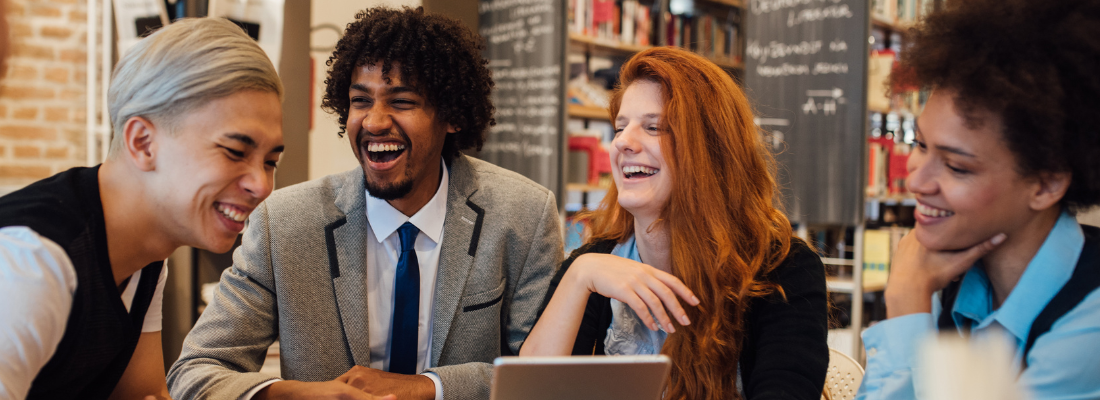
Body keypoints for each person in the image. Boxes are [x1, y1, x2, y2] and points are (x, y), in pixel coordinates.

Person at [166, 7, 563, 400]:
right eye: (360, 101)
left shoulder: (524, 216)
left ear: (452, 115)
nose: (373, 122)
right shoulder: (283, 224)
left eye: (402, 101)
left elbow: (546, 378)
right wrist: (298, 395)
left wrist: (429, 388)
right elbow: (196, 372)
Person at [521, 47, 829, 400]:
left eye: (653, 127)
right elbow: (527, 393)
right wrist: (578, 278)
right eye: (620, 127)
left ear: (711, 149)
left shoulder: (784, 268)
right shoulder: (596, 264)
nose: (623, 142)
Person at [0, 17, 285, 400]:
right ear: (143, 142)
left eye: (270, 161)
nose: (261, 185)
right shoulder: (32, 264)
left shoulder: (145, 255)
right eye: (235, 152)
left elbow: (143, 394)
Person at [855, 0, 1100, 398]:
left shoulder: (1090, 323)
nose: (915, 179)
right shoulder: (952, 279)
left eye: (956, 166)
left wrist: (907, 301)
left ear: (1045, 184)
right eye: (919, 144)